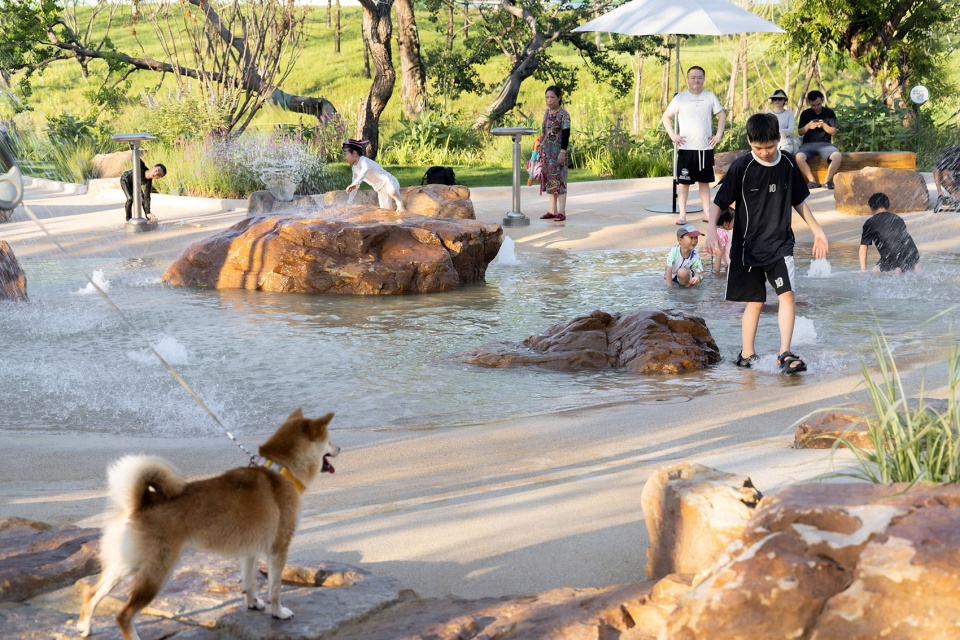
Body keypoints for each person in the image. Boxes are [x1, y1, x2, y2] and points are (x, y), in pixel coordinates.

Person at [706, 113, 829, 375]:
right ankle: (746, 353)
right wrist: (710, 232)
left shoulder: (786, 163)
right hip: (747, 247)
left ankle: (785, 352)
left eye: (769, 146)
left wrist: (818, 231)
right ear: (749, 141)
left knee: (787, 295)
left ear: (778, 139)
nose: (764, 152)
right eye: (757, 147)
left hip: (780, 244)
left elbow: (798, 201)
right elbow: (719, 202)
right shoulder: (741, 167)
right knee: (755, 301)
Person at [661, 65, 726, 225]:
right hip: (686, 149)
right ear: (688, 79)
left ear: (703, 79)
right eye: (693, 77)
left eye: (699, 77)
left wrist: (718, 135)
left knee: (704, 183)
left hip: (705, 149)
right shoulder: (680, 98)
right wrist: (673, 135)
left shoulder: (709, 96)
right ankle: (682, 214)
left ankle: (707, 213)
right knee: (683, 184)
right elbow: (666, 117)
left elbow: (721, 115)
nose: (696, 80)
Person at [859, 192, 921, 274]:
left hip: (891, 254)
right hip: (911, 251)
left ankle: (896, 270)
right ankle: (916, 267)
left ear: (871, 207)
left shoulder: (870, 222)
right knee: (912, 264)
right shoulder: (897, 218)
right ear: (887, 205)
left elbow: (863, 249)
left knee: (875, 271)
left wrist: (863, 269)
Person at [795, 90, 841, 190]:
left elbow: (833, 131)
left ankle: (827, 181)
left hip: (825, 144)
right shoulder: (805, 114)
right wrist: (808, 126)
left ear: (822, 101)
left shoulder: (829, 113)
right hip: (808, 144)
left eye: (818, 104)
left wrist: (824, 125)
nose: (816, 107)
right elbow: (800, 132)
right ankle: (812, 181)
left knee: (837, 156)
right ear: (809, 104)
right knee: (798, 157)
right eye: (813, 105)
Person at [343, 139, 405, 211]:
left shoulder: (364, 161)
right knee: (385, 211)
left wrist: (355, 183)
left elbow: (364, 170)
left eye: (345, 155)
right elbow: (354, 187)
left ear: (354, 153)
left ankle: (399, 202)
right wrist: (349, 203)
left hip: (389, 181)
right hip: (380, 189)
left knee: (391, 190)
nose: (345, 158)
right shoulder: (354, 168)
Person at [538, 86, 571, 222]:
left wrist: (562, 151)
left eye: (552, 97)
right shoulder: (547, 113)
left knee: (560, 181)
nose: (549, 100)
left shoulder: (563, 114)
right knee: (550, 181)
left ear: (559, 98)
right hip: (547, 154)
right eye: (547, 97)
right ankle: (552, 210)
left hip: (558, 152)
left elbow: (566, 134)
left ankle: (561, 212)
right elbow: (545, 132)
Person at [766, 89, 800, 155]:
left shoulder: (789, 114)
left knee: (784, 155)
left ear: (784, 100)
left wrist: (775, 131)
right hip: (771, 143)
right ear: (772, 101)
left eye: (780, 99)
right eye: (775, 99)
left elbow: (790, 130)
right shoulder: (768, 114)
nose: (777, 101)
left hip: (786, 143)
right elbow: (766, 130)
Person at [714, 207, 734, 273]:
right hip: (733, 264)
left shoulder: (720, 231)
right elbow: (719, 255)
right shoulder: (723, 235)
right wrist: (717, 274)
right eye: (733, 222)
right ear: (726, 223)